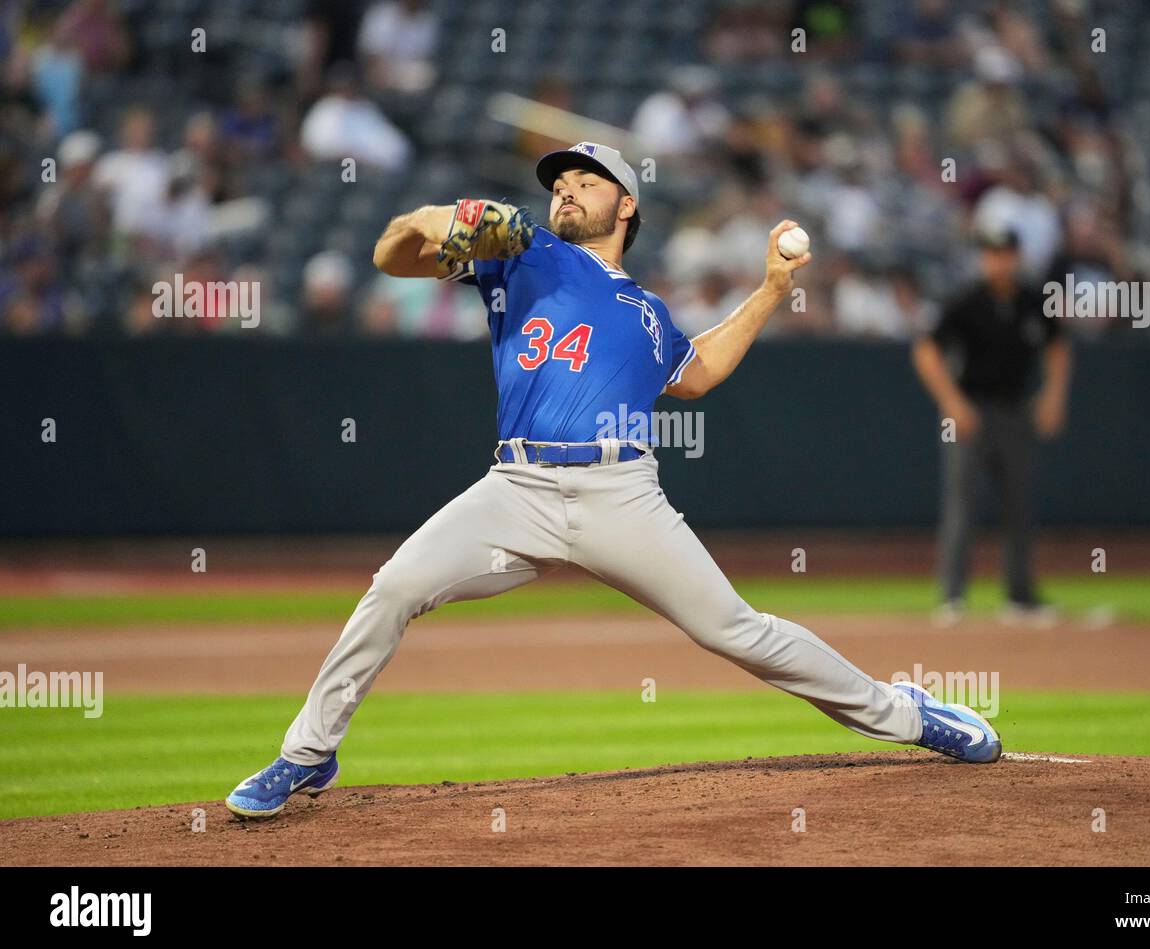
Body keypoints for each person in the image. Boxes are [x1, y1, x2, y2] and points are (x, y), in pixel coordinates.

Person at [224, 142, 1003, 817]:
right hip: (516, 490)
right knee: (393, 587)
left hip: (620, 494)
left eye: (585, 180)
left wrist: (768, 292)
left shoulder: (648, 311)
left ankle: (912, 714)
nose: (565, 188)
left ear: (625, 205)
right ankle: (308, 753)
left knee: (735, 631)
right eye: (558, 181)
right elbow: (391, 256)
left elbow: (695, 379)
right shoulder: (521, 253)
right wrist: (440, 217)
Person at [911, 225, 1072, 626]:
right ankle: (953, 597)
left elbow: (1058, 345)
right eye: (992, 253)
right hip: (972, 411)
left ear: (1016, 257)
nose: (999, 261)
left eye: (1005, 253)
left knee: (1019, 504)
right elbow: (926, 350)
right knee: (962, 504)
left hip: (1016, 411)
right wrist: (952, 402)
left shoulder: (1034, 301)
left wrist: (1053, 396)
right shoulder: (966, 300)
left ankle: (1020, 596)